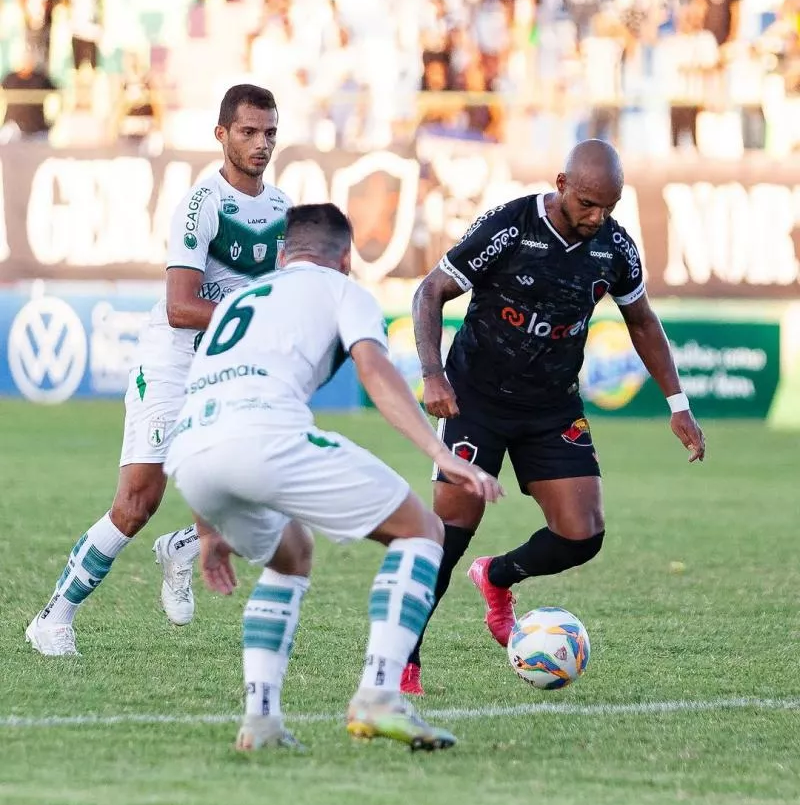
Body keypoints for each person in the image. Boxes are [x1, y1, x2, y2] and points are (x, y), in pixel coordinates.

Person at [164, 202, 503, 751]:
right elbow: (374, 368)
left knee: (290, 553)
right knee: (422, 530)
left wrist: (207, 530)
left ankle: (262, 720)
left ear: (282, 254)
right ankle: (379, 695)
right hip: (266, 437)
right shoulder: (343, 291)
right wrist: (441, 456)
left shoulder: (237, 302)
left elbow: (204, 396)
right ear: (345, 258)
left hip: (192, 455)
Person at [401, 139, 706, 695]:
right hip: (477, 399)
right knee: (447, 536)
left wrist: (678, 404)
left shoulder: (615, 248)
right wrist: (432, 373)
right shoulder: (510, 228)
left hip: (551, 405)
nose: (597, 217)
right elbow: (430, 291)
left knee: (581, 534)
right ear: (562, 183)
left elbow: (642, 323)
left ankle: (497, 576)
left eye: (608, 207)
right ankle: (405, 662)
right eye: (588, 203)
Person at [26, 83, 291, 656]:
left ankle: (183, 548)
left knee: (272, 494)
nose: (261, 143)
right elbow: (181, 307)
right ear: (221, 135)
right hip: (173, 362)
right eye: (248, 132)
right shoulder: (201, 203)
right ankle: (53, 616)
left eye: (269, 132)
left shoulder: (281, 209)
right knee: (137, 502)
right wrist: (258, 322)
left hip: (228, 370)